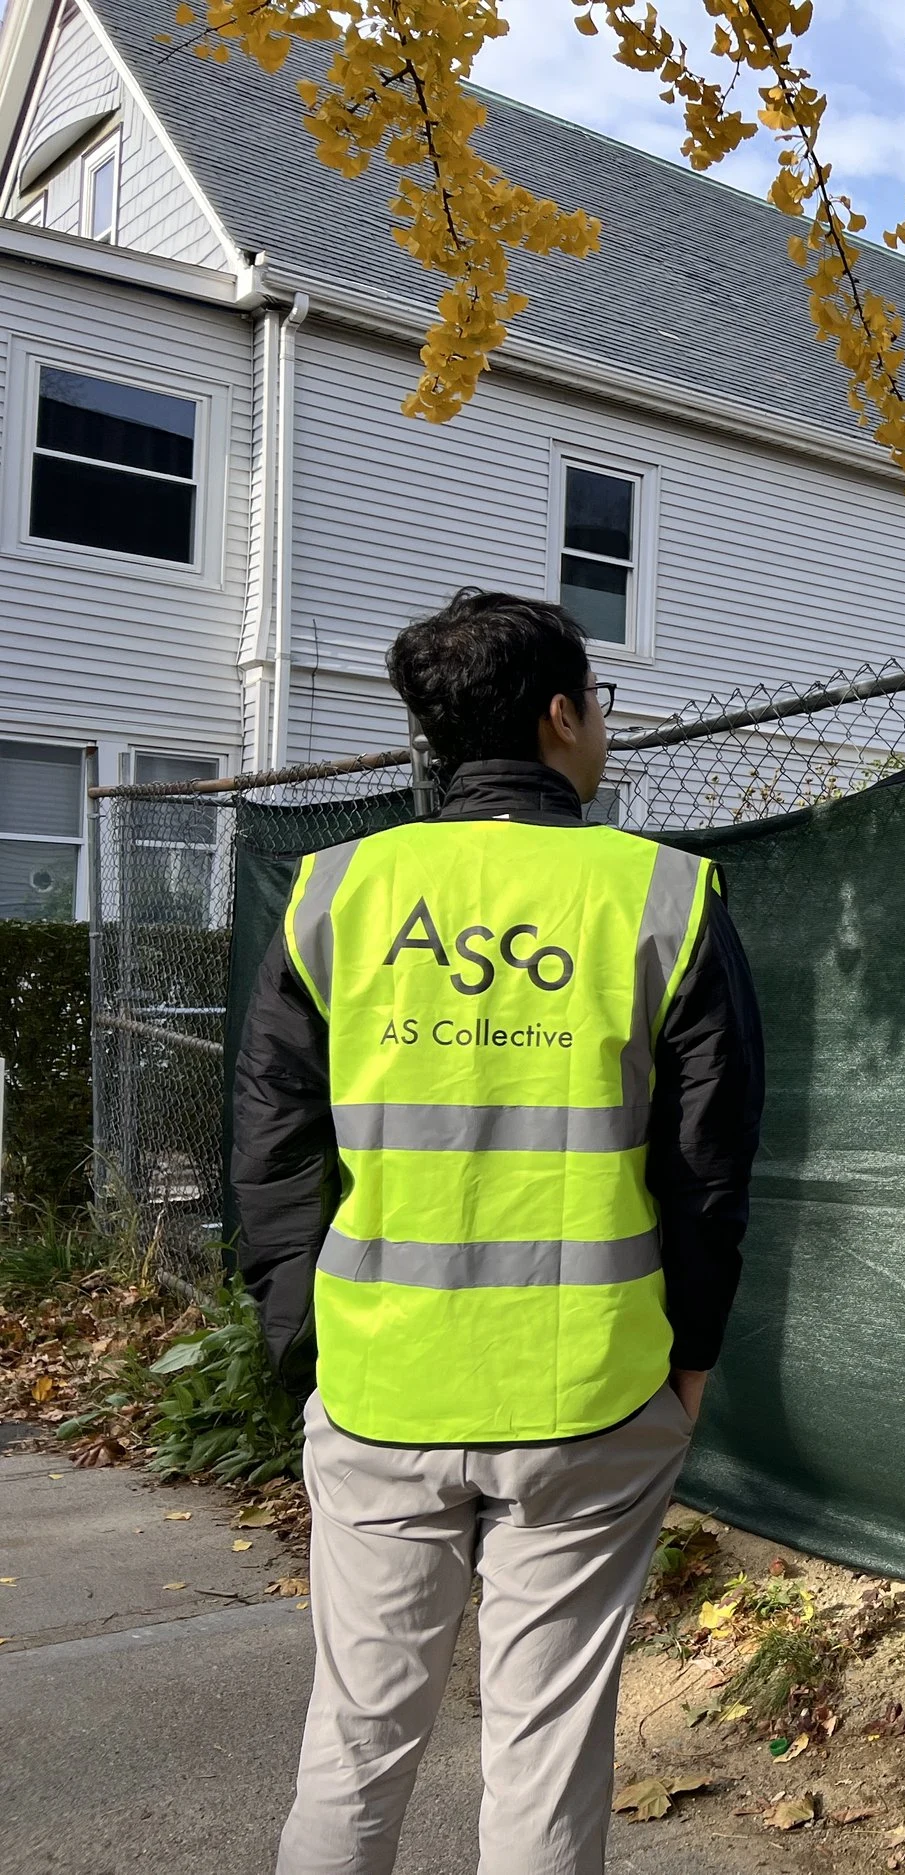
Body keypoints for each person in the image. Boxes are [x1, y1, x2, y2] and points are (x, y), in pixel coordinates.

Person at [231, 588, 765, 1875]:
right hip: (589, 1390)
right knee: (544, 1748)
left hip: (378, 1384)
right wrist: (686, 1361)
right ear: (561, 715)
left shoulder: (333, 893)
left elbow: (268, 1151)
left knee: (355, 1741)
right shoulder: (663, 896)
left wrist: (308, 1339)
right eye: (601, 704)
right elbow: (707, 1169)